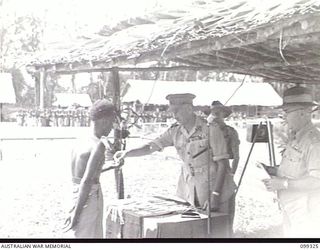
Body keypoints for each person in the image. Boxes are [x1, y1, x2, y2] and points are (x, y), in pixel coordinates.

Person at [114, 93, 236, 237]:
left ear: (189, 109)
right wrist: (126, 153)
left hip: (217, 192)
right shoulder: (175, 131)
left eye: (177, 111)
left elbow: (223, 164)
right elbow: (151, 146)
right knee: (195, 232)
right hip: (191, 192)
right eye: (172, 111)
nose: (174, 115)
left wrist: (215, 196)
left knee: (218, 234)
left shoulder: (210, 129)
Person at [262, 86, 320, 237]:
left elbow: (317, 181)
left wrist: (284, 184)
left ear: (302, 113)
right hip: (291, 208)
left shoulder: (314, 142)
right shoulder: (296, 138)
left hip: (307, 212)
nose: (284, 118)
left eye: (287, 112)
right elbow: (297, 169)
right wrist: (275, 171)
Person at [63, 99, 119, 238]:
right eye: (112, 121)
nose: (112, 127)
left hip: (74, 191)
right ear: (105, 120)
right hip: (88, 195)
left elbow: (82, 173)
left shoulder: (81, 139)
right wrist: (77, 212)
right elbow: (87, 181)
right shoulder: (99, 145)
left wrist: (109, 166)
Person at [207, 101, 240, 175]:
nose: (215, 116)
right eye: (213, 113)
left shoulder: (230, 132)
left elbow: (236, 156)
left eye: (218, 113)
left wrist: (232, 173)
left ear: (223, 114)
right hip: (207, 171)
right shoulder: (206, 131)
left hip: (224, 169)